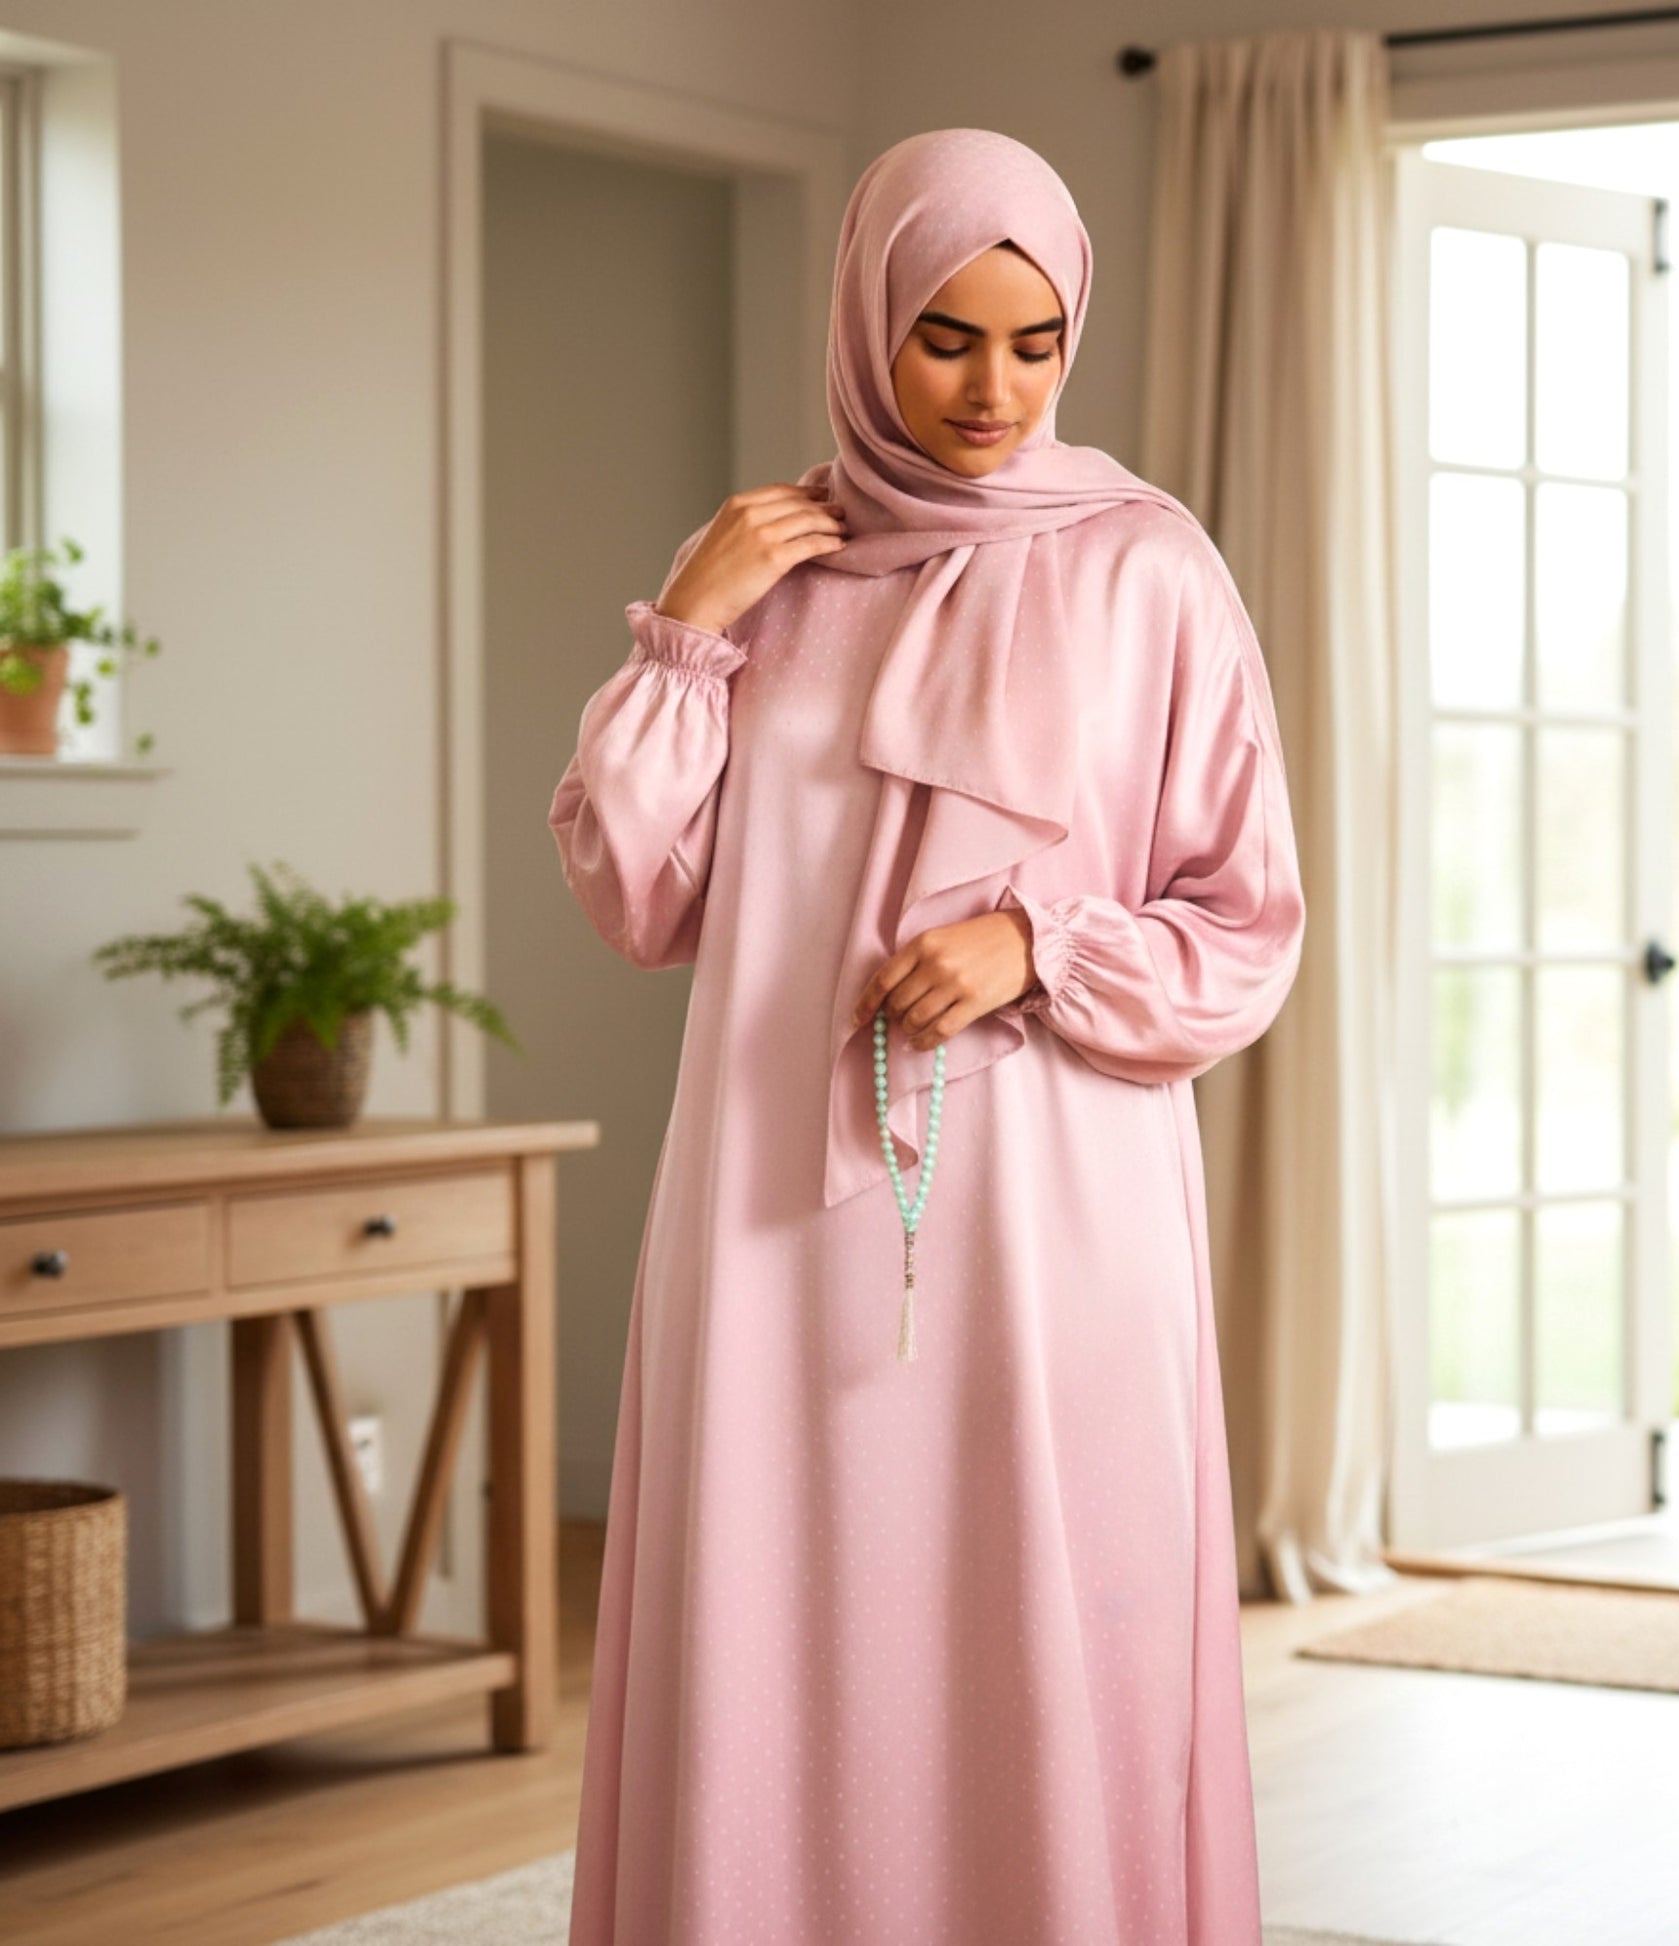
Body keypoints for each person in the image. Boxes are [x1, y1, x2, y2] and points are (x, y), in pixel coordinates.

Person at [552, 125, 1305, 1946]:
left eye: (1033, 342)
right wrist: (686, 641)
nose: (992, 388)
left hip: (1058, 1214)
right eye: (946, 337)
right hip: (769, 1216)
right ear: (866, 319)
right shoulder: (775, 570)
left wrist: (1032, 942)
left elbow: (1244, 929)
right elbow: (636, 898)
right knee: (784, 1617)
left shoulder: (1151, 572)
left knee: (1046, 1618)